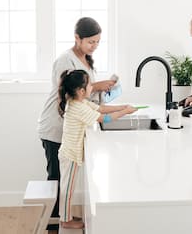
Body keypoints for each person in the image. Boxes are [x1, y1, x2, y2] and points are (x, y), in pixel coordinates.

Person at [37, 17, 116, 229]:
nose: (94, 46)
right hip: (56, 128)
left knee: (64, 179)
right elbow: (71, 95)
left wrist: (101, 90)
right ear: (77, 38)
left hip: (71, 128)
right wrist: (97, 86)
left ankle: (61, 220)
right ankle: (55, 224)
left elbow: (85, 95)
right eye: (91, 42)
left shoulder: (86, 59)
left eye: (98, 42)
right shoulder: (65, 60)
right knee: (57, 179)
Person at [58, 69, 137, 229]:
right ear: (81, 91)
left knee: (68, 186)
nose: (92, 87)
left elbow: (100, 109)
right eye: (89, 85)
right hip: (71, 154)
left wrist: (122, 107)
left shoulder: (79, 102)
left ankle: (66, 216)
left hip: (70, 152)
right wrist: (125, 112)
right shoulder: (78, 107)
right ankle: (65, 220)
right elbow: (104, 119)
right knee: (68, 188)